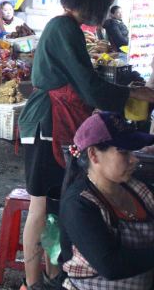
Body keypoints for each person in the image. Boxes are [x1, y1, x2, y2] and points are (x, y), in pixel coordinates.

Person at [17, 0, 154, 290]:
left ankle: (51, 277)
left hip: (55, 118)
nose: (106, 12)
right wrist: (134, 93)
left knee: (53, 204)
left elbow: (85, 83)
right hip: (47, 121)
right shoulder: (63, 27)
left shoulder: (68, 27)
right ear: (95, 2)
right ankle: (33, 282)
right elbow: (91, 89)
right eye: (105, 5)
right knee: (40, 204)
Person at [60, 111, 154, 289]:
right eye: (124, 152)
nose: (133, 159)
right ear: (94, 155)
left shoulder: (139, 190)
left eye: (132, 151)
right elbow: (110, 266)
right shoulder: (78, 204)